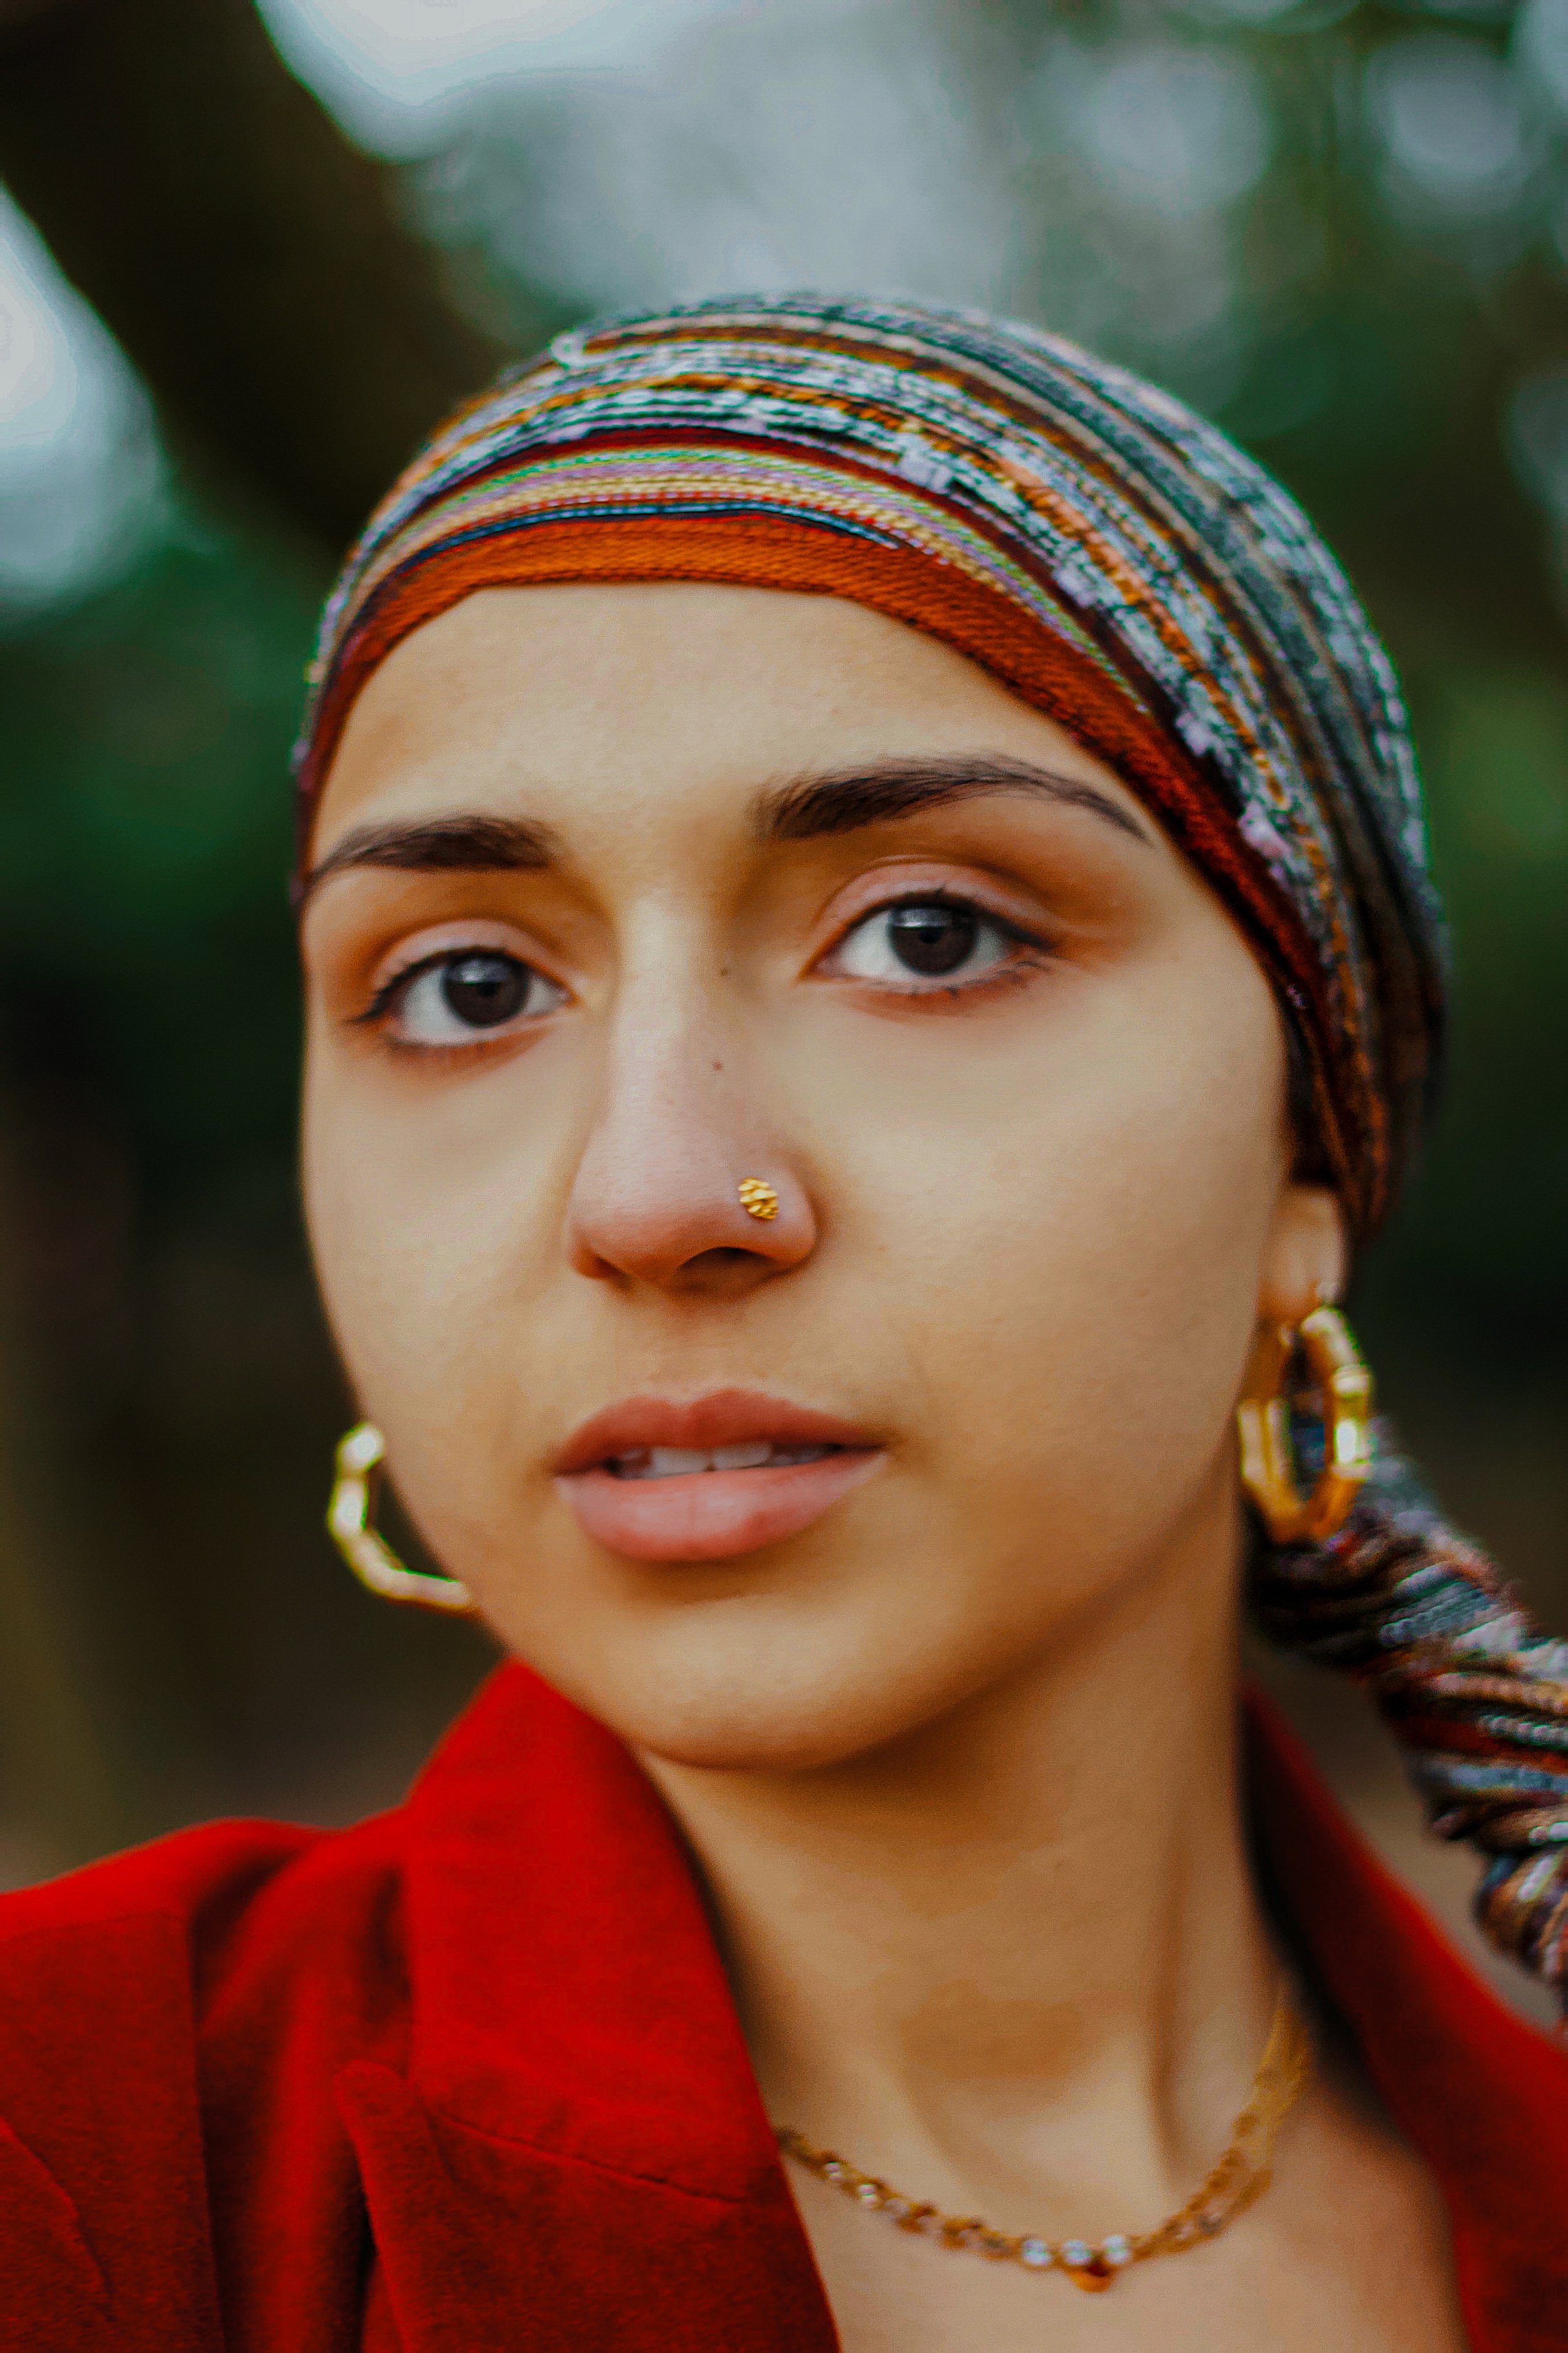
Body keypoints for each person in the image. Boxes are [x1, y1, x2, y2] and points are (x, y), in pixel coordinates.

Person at [0, 295, 1563, 2353]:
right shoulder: (83, 2152)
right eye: (466, 985)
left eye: (928, 936)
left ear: (1303, 1159)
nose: (653, 1195)